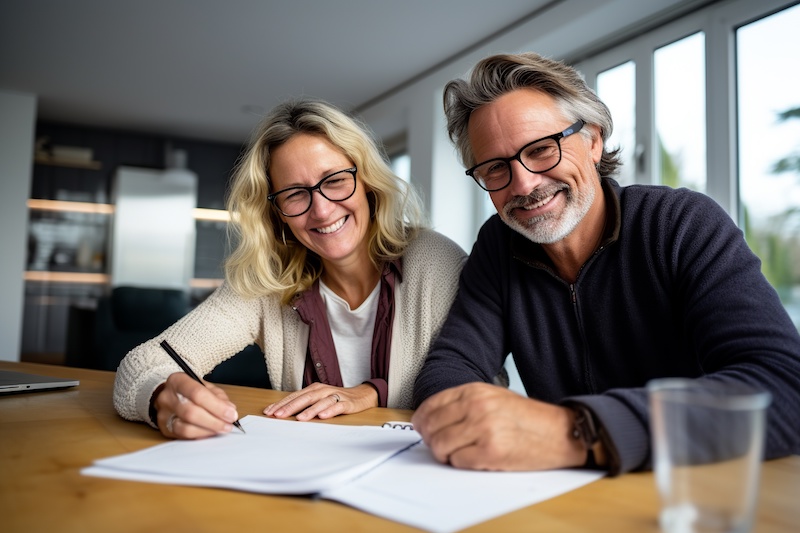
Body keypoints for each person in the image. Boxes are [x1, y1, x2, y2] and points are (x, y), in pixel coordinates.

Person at [411, 52, 800, 475]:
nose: (524, 183)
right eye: (495, 168)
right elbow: (450, 369)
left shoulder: (682, 224)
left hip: (697, 491)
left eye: (542, 150)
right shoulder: (497, 246)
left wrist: (573, 430)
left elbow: (783, 388)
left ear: (593, 141)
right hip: (568, 499)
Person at [113, 97, 466, 439]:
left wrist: (370, 393)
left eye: (335, 180)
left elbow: (478, 389)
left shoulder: (436, 262)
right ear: (276, 212)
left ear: (367, 182)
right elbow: (140, 364)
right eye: (295, 193)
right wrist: (163, 394)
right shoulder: (268, 282)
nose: (322, 210)